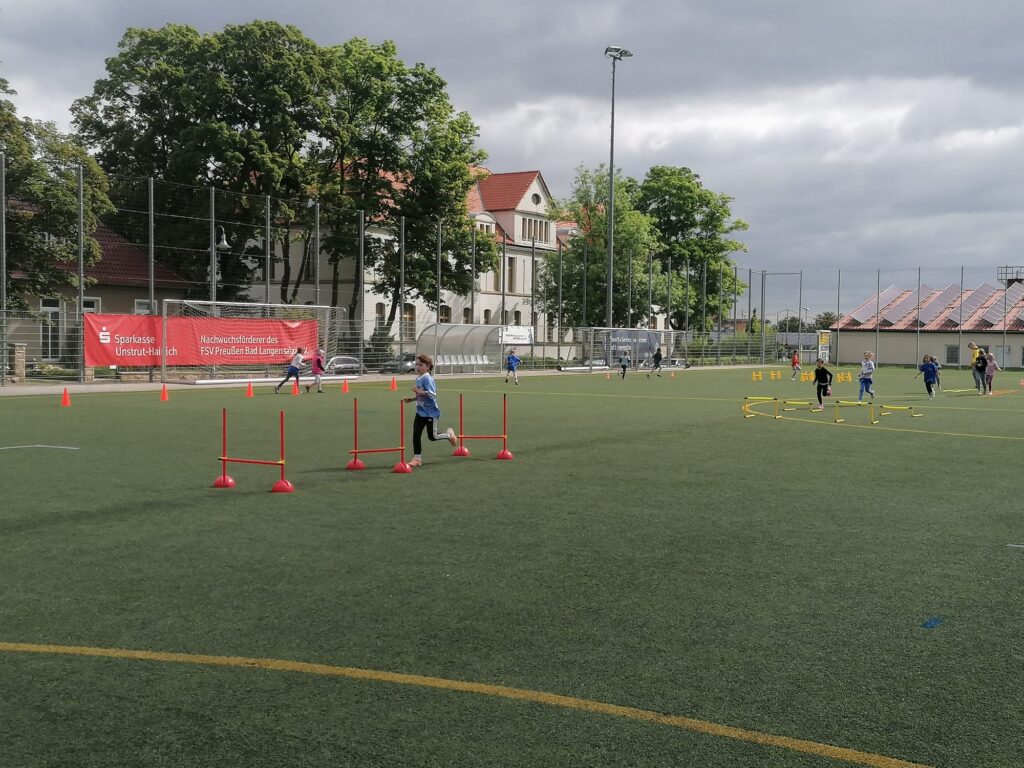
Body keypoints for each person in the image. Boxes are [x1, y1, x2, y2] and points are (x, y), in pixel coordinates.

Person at [403, 353, 457, 467]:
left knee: (432, 437)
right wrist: (412, 399)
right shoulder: (419, 377)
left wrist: (418, 391)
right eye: (417, 364)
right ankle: (417, 458)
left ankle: (449, 434)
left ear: (428, 367)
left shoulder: (427, 378)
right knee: (416, 434)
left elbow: (432, 395)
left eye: (421, 365)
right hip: (420, 411)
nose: (418, 367)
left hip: (431, 413)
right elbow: (421, 396)